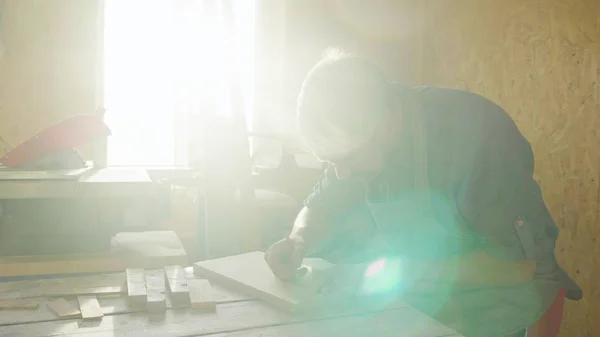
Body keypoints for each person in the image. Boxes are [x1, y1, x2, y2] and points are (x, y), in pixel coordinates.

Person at [264, 50, 582, 337]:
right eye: (330, 163)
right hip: (430, 301)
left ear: (385, 123)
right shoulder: (356, 141)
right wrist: (299, 240)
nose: (341, 173)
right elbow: (322, 204)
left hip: (508, 306)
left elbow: (517, 267)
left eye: (346, 160)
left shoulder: (475, 137)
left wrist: (402, 270)